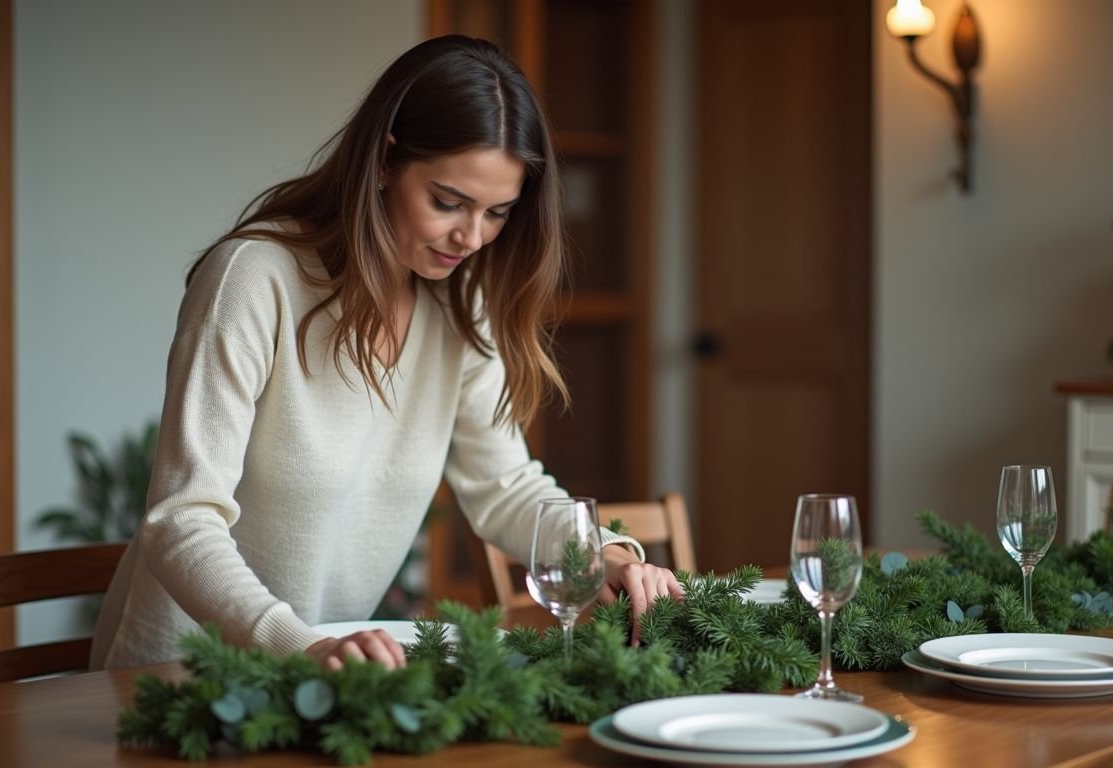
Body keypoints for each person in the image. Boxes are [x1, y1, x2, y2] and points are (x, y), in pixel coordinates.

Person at [89, 35, 683, 672]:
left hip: (352, 679)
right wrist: (301, 643)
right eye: (448, 202)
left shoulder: (462, 303)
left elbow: (504, 487)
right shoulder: (255, 278)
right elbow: (182, 519)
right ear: (382, 161)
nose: (472, 236)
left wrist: (605, 556)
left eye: (497, 213)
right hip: (182, 676)